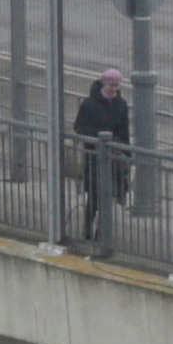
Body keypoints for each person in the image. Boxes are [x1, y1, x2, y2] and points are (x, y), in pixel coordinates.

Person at [70, 66, 135, 247]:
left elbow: (124, 131)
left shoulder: (120, 105)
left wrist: (126, 154)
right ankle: (88, 231)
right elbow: (79, 127)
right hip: (94, 156)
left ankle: (100, 234)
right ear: (103, 83)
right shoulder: (89, 104)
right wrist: (97, 137)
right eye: (111, 85)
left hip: (113, 158)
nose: (114, 88)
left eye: (116, 85)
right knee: (95, 197)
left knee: (108, 196)